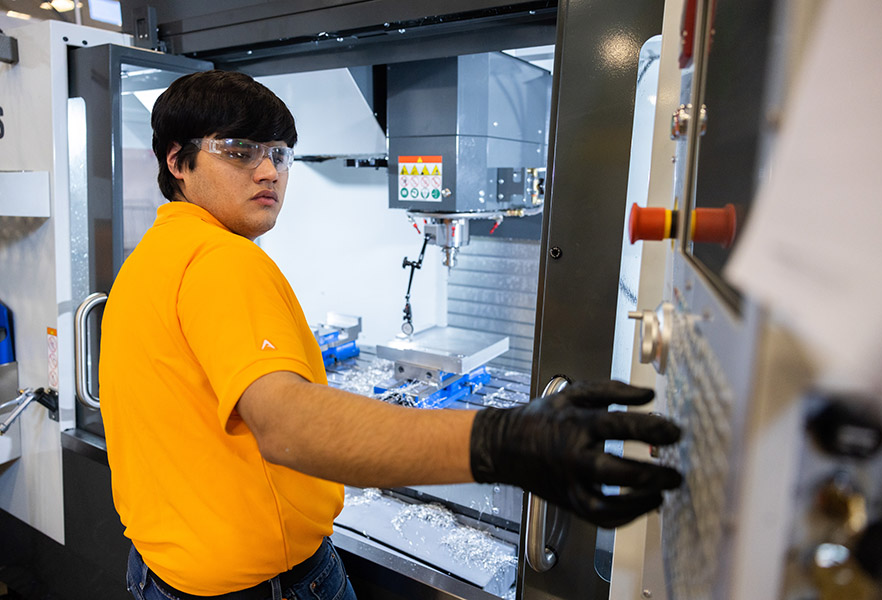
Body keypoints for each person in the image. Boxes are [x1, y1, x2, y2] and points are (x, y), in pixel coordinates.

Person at [99, 70, 682, 600]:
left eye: (279, 153)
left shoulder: (153, 256)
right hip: (261, 588)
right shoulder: (221, 261)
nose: (270, 171)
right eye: (240, 150)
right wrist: (507, 441)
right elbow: (288, 425)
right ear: (178, 161)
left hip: (164, 575)